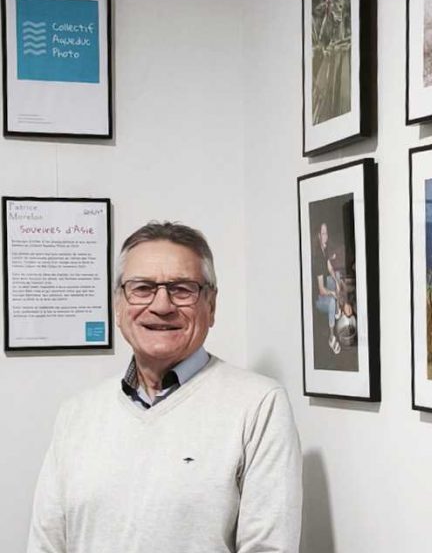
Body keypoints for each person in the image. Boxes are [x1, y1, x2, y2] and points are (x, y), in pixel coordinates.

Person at [27, 222, 302, 552]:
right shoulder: (76, 414)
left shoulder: (259, 405)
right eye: (142, 288)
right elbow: (45, 545)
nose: (161, 306)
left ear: (211, 305)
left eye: (182, 289)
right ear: (118, 305)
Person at [313, 222, 343, 354]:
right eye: (323, 233)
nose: (326, 236)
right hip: (318, 298)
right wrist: (333, 293)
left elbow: (330, 267)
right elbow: (321, 289)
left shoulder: (323, 249)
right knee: (331, 300)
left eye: (326, 232)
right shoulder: (318, 258)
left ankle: (336, 310)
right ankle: (331, 337)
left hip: (325, 286)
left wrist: (336, 282)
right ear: (319, 235)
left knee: (337, 275)